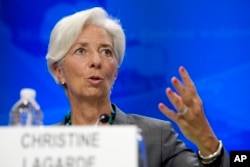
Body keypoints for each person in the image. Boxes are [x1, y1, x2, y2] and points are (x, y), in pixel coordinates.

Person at [45, 7, 229, 167]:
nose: (96, 61)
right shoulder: (42, 144)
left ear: (115, 72)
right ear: (58, 71)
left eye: (106, 52)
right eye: (81, 51)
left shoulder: (157, 137)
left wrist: (207, 141)